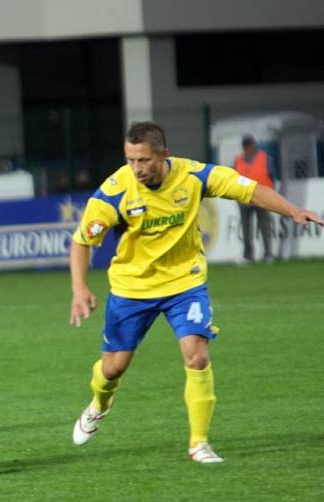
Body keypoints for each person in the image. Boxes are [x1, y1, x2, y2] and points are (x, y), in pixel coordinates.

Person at [68, 122, 323, 463]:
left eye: (143, 160)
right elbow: (82, 241)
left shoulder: (194, 176)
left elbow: (247, 189)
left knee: (197, 354)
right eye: (130, 160)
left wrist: (293, 211)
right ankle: (100, 404)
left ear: (164, 155)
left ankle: (198, 443)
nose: (136, 168)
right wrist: (80, 288)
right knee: (113, 369)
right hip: (132, 288)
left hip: (184, 284)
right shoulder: (115, 190)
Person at [234, 134, 277, 263]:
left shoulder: (264, 158)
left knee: (265, 227)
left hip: (262, 197)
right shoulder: (238, 160)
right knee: (246, 230)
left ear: (253, 145)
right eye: (245, 145)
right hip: (244, 199)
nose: (247, 148)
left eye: (249, 145)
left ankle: (268, 254)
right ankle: (248, 255)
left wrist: (270, 194)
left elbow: (272, 176)